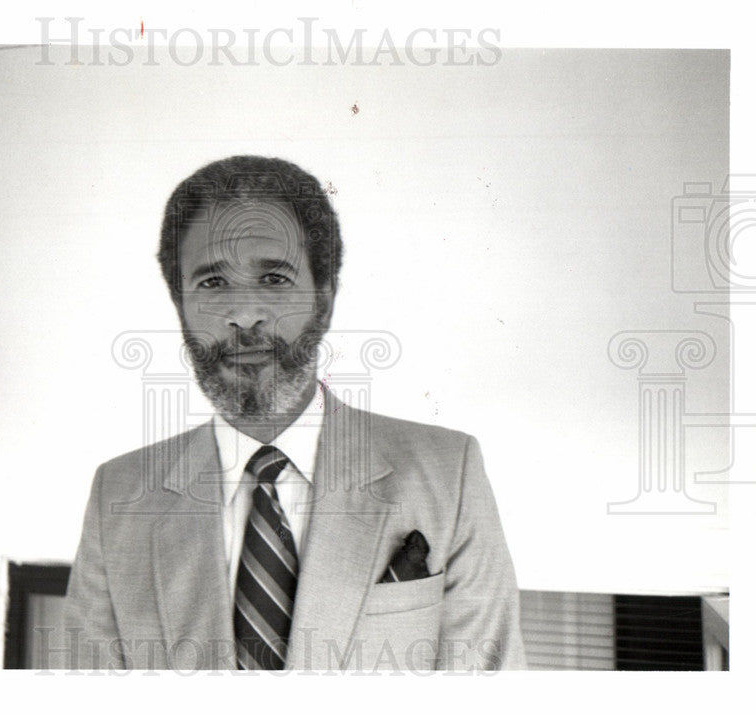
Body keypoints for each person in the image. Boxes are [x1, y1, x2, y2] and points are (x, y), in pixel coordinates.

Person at [60, 155, 526, 671]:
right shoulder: (118, 497)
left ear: (324, 301)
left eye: (275, 279)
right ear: (181, 308)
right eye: (212, 284)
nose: (244, 313)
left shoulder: (447, 473)